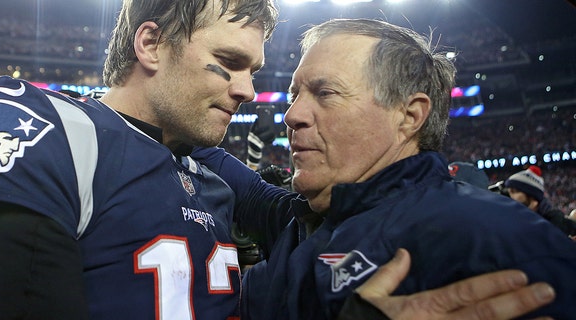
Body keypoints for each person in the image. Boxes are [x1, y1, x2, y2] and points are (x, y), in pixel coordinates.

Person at [0, 2, 557, 319]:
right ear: (150, 43)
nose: (245, 91)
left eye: (254, 71)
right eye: (229, 63)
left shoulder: (213, 165)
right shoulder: (49, 125)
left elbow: (349, 209)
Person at [193, 18, 576, 319]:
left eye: (325, 93)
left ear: (409, 116)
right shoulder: (305, 222)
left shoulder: (497, 244)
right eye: (295, 95)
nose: (292, 115)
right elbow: (232, 174)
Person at [504, 165, 576, 236]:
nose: (510, 196)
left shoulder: (557, 222)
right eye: (509, 192)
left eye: (514, 192)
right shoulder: (512, 221)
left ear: (532, 196)